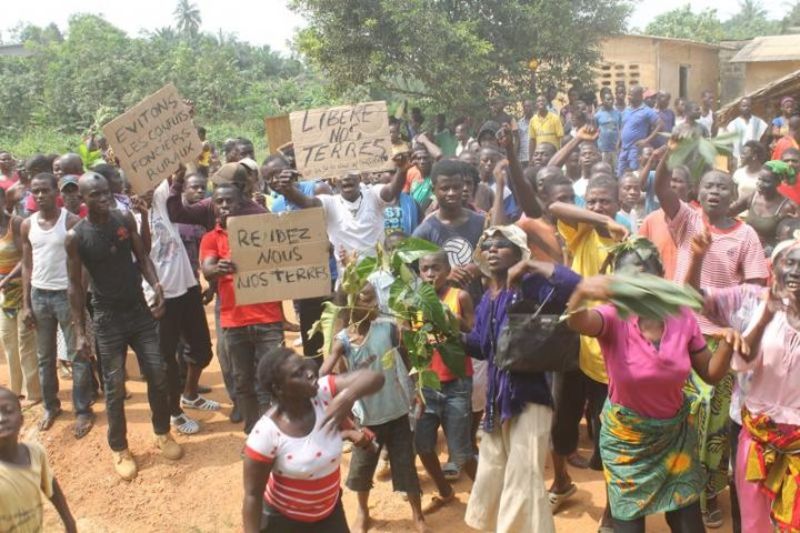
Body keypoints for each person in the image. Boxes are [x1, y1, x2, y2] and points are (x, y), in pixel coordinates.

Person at [565, 239, 743, 532]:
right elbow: (578, 322)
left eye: (645, 273)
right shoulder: (613, 317)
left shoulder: (681, 316)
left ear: (660, 277)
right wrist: (582, 292)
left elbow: (710, 373)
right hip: (627, 443)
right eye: (628, 277)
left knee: (689, 526)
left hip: (675, 439)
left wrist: (727, 343)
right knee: (629, 528)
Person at [654, 147, 768, 527]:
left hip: (720, 339)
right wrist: (662, 159)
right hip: (679, 333)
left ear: (731, 192)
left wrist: (725, 319)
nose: (715, 193)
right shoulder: (686, 219)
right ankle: (678, 490)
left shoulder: (746, 234)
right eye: (709, 187)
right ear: (698, 195)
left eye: (722, 187)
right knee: (680, 418)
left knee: (715, 428)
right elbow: (662, 191)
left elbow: (753, 291)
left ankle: (709, 494)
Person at [463, 225, 581, 533]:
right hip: (496, 401)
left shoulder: (529, 287)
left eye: (501, 246)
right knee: (492, 472)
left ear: (517, 253)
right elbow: (480, 345)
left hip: (528, 398)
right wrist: (446, 332)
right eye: (486, 246)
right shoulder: (488, 297)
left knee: (523, 476)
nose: (492, 250)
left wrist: (530, 265)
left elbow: (574, 284)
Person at [66, 171, 181, 480]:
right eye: (95, 194)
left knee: (158, 374)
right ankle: (120, 448)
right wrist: (80, 333)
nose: (103, 198)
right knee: (115, 389)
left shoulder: (123, 219)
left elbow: (142, 257)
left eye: (106, 192)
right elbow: (75, 287)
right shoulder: (76, 237)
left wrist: (156, 286)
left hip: (139, 312)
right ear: (83, 198)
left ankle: (162, 433)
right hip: (107, 319)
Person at [689, 238, 800, 533]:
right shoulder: (755, 301)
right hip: (756, 433)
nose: (796, 272)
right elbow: (693, 299)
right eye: (789, 263)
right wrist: (765, 317)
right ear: (773, 269)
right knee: (753, 520)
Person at [321, 282, 427, 533]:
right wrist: (323, 371)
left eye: (375, 298)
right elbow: (327, 370)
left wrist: (417, 387)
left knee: (406, 467)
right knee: (361, 471)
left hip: (398, 411)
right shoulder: (344, 340)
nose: (375, 304)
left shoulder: (388, 329)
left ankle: (418, 514)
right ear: (350, 304)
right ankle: (362, 511)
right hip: (367, 419)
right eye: (367, 299)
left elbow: (406, 357)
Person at [242, 347, 385, 533]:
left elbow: (375, 378)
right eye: (298, 374)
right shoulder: (266, 433)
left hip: (330, 512)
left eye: (305, 366)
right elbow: (252, 495)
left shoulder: (323, 393)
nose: (310, 373)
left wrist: (348, 397)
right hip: (284, 521)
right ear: (279, 389)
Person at [200, 183, 285, 434]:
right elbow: (207, 269)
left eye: (230, 201)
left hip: (267, 317)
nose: (225, 206)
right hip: (234, 321)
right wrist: (216, 270)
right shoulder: (211, 238)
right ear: (214, 205)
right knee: (243, 381)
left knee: (274, 378)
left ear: (241, 203)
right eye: (219, 201)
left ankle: (280, 432)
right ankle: (254, 433)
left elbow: (292, 256)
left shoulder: (264, 231)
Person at [20, 173, 94, 438]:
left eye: (45, 191)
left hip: (67, 296)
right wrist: (26, 303)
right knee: (45, 357)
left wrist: (80, 296)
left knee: (79, 354)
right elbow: (27, 265)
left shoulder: (72, 222)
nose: (40, 196)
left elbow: (84, 265)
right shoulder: (28, 225)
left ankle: (83, 409)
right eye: (35, 191)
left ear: (56, 193)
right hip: (40, 296)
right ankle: (51, 407)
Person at [145, 179, 219, 435]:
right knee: (167, 362)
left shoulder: (161, 203)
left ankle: (190, 394)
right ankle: (174, 412)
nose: (145, 190)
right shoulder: (128, 217)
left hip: (187, 287)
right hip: (159, 297)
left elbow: (172, 172)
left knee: (201, 349)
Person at [415, 251, 477, 512]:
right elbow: (414, 340)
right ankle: (444, 490)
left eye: (436, 268)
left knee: (461, 450)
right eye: (425, 269)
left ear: (447, 269)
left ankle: (488, 494)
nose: (430, 274)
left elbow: (472, 333)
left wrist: (448, 317)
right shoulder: (415, 301)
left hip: (456, 383)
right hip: (427, 384)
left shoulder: (459, 297)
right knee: (423, 445)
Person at [273, 156, 407, 274]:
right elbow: (307, 203)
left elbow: (390, 191)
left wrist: (402, 170)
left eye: (351, 172)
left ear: (359, 177)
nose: (346, 177)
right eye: (340, 174)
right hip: (348, 280)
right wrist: (288, 189)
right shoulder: (329, 203)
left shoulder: (373, 194)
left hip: (379, 275)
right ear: (333, 181)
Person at [0, 386, 77, 533]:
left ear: (22, 420)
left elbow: (51, 485)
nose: (1, 418)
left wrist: (68, 520)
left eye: (8, 411)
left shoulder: (35, 453)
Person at [412, 160, 487, 304]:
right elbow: (411, 275)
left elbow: (496, 262)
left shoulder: (481, 223)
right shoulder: (424, 232)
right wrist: (444, 276)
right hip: (442, 313)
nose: (451, 193)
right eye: (445, 188)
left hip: (477, 308)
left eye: (456, 187)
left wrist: (479, 268)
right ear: (434, 190)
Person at [0, 186, 38, 406]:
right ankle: (16, 391)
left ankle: (33, 392)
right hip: (3, 296)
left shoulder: (16, 224)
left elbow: (27, 258)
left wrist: (5, 279)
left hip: (22, 290)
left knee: (26, 341)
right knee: (8, 341)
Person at [637, 164, 694, 281]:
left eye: (678, 181)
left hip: (689, 291)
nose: (672, 185)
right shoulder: (650, 221)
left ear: (690, 188)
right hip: (660, 291)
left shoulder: (698, 219)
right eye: (670, 181)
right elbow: (640, 259)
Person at [730, 161, 798, 251]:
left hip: (768, 254)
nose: (760, 184)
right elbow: (728, 212)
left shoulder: (788, 207)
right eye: (759, 179)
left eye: (766, 181)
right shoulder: (752, 197)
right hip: (746, 248)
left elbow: (794, 235)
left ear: (778, 183)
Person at [618, 86, 663, 177]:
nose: (628, 96)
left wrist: (647, 140)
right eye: (629, 94)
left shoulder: (647, 111)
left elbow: (660, 124)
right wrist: (619, 140)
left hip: (635, 150)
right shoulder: (626, 110)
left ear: (639, 96)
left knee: (634, 175)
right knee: (620, 175)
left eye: (631, 94)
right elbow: (623, 126)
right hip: (623, 148)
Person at [726, 97, 769, 166]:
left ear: (751, 107)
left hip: (755, 158)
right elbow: (729, 144)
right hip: (738, 159)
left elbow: (764, 138)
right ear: (739, 107)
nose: (746, 108)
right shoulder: (733, 124)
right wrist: (730, 160)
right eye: (744, 106)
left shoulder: (758, 122)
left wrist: (761, 154)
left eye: (748, 106)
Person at [528, 94, 564, 159]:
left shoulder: (555, 118)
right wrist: (531, 158)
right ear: (536, 104)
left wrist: (561, 155)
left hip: (553, 154)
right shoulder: (533, 120)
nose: (541, 102)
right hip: (539, 155)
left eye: (543, 101)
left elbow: (561, 138)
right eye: (538, 101)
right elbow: (532, 140)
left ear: (546, 103)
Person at [595, 89, 622, 171]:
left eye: (612, 99)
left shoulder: (618, 113)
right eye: (608, 99)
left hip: (615, 148)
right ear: (603, 100)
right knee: (604, 170)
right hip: (603, 149)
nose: (610, 101)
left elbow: (621, 129)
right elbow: (596, 131)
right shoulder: (597, 115)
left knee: (616, 171)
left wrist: (619, 142)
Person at [517, 99, 533, 166]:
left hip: (534, 156)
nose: (527, 108)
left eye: (529, 106)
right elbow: (518, 140)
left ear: (532, 107)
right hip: (523, 157)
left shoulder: (538, 122)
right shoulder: (519, 123)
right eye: (525, 106)